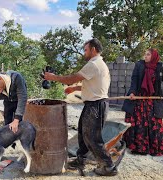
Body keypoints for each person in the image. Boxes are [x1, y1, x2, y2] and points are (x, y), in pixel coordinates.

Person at [44, 38, 117, 176]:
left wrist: (53, 77)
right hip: (93, 104)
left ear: (93, 49)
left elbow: (71, 78)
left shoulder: (93, 64)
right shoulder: (98, 64)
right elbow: (94, 84)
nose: (84, 53)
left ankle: (109, 166)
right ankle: (80, 160)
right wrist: (76, 89)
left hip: (96, 105)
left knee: (92, 137)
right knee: (83, 134)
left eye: (85, 50)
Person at [122, 48, 163, 156]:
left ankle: (153, 148)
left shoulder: (159, 68)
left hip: (152, 101)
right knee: (139, 123)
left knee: (154, 123)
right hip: (139, 100)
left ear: (153, 56)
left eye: (148, 54)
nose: (145, 56)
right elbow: (134, 80)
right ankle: (139, 148)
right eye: (145, 54)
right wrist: (132, 93)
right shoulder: (139, 66)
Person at [0, 70, 27, 135]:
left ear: (0, 78)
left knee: (19, 125)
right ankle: (11, 143)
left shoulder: (17, 77)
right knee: (7, 125)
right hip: (7, 102)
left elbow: (22, 98)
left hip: (19, 101)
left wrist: (16, 119)